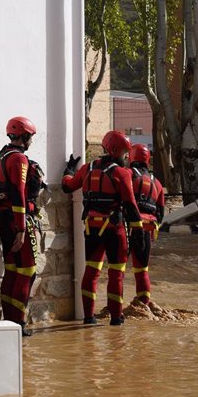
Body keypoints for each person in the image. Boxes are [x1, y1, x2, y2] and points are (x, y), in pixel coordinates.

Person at [61, 130, 146, 326]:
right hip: (114, 230)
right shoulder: (121, 173)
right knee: (116, 273)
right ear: (116, 150)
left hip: (91, 228)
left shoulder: (87, 169)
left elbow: (68, 186)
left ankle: (88, 318)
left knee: (91, 272)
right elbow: (131, 206)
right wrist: (139, 231)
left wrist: (69, 170)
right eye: (125, 152)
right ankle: (116, 318)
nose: (127, 156)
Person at [0, 116, 45, 337]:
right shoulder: (19, 159)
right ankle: (18, 324)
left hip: (3, 219)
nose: (31, 142)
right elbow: (19, 193)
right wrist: (21, 229)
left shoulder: (0, 157)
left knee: (12, 271)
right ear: (25, 136)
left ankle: (9, 323)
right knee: (27, 272)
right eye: (31, 137)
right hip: (16, 221)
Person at [128, 144, 165, 306]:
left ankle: (113, 310)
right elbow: (161, 213)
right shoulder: (156, 183)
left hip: (127, 227)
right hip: (147, 229)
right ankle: (144, 304)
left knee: (117, 268)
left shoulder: (127, 175)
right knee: (142, 269)